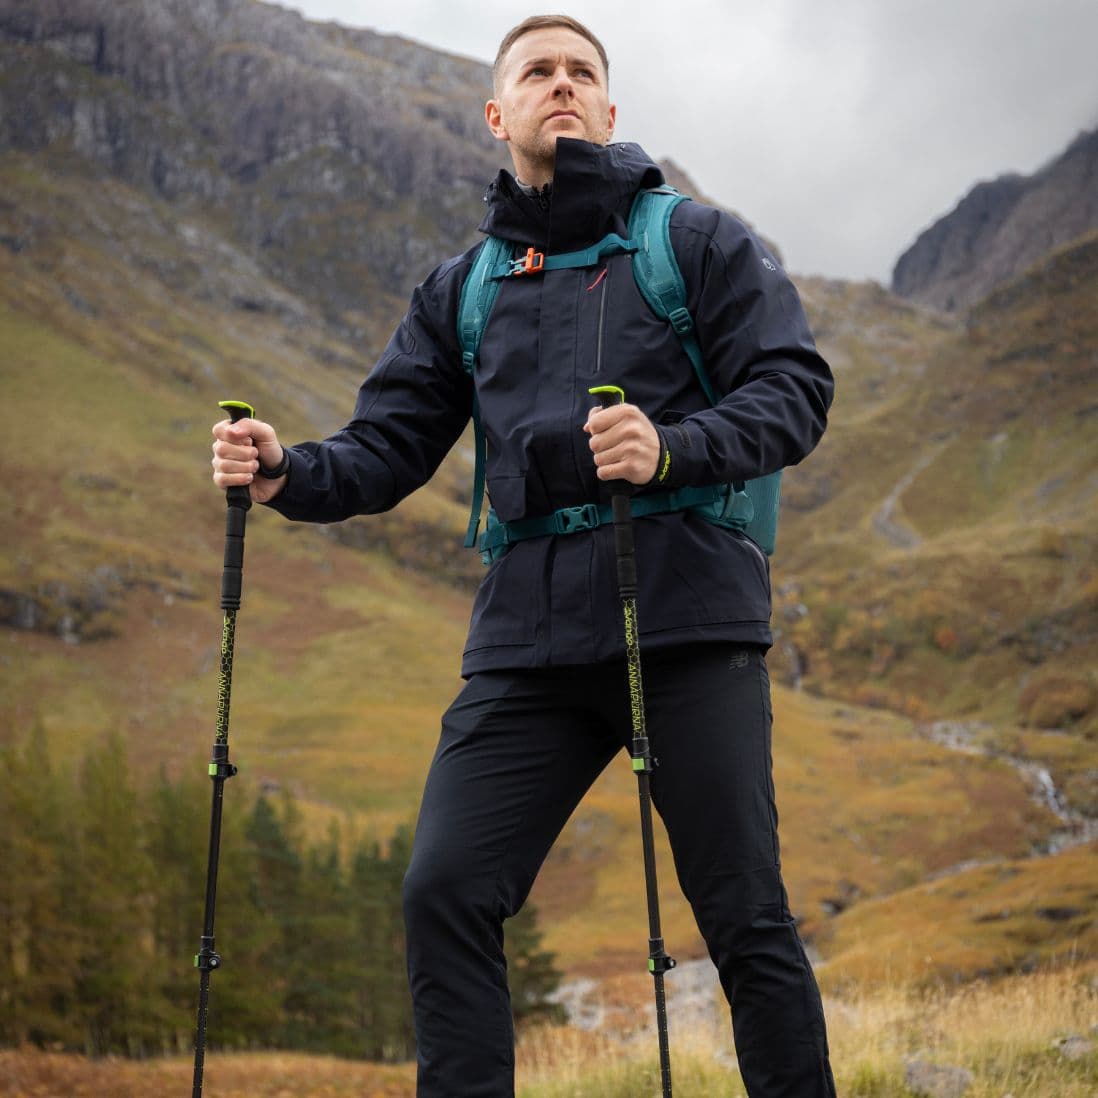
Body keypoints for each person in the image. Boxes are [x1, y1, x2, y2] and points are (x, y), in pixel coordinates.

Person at [212, 14, 836, 1097]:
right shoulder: (462, 287)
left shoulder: (695, 242)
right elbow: (389, 442)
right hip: (526, 645)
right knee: (444, 891)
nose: (562, 85)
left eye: (582, 72)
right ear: (498, 114)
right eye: (537, 72)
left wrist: (673, 446)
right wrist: (286, 473)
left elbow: (794, 388)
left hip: (687, 625)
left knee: (743, 914)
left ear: (608, 109)